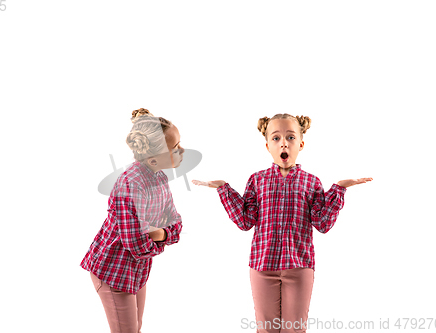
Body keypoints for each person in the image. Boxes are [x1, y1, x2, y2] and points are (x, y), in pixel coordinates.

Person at [192, 114, 372, 333]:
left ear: (301, 144)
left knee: (294, 329)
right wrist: (224, 189)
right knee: (266, 329)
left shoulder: (311, 182)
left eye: (290, 137)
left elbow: (322, 223)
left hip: (299, 266)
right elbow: (245, 221)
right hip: (262, 266)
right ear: (268, 146)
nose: (284, 143)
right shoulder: (257, 180)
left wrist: (339, 189)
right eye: (276, 138)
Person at [81, 108, 184, 333]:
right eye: (174, 147)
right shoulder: (131, 184)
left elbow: (175, 221)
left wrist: (160, 234)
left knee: (134, 329)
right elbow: (135, 244)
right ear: (154, 155)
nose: (182, 150)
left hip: (137, 271)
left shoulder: (159, 177)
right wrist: (161, 237)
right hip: (113, 270)